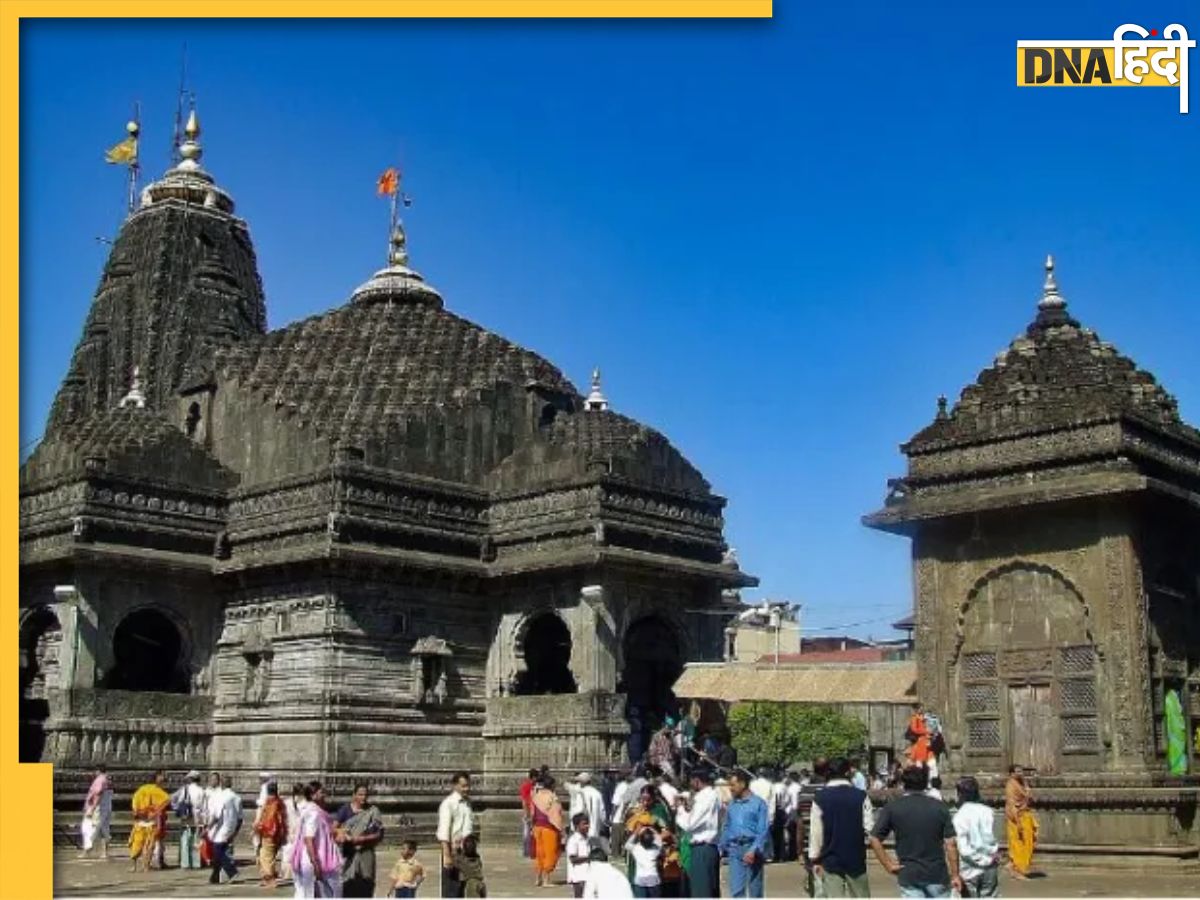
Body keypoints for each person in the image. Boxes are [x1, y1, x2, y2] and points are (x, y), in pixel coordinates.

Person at [869, 766, 962, 898]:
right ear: (926, 784)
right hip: (936, 873)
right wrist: (955, 875)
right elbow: (950, 844)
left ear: (903, 783)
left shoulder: (893, 808)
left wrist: (888, 864)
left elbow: (874, 838)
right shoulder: (939, 807)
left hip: (909, 873)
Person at [808, 756, 875, 898]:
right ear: (848, 772)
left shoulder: (820, 797)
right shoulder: (861, 796)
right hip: (855, 858)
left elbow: (816, 832)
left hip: (830, 858)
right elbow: (869, 827)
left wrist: (814, 858)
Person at [718, 770, 770, 898]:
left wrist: (753, 850)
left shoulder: (758, 803)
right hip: (734, 850)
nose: (730, 788)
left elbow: (763, 830)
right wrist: (721, 847)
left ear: (742, 784)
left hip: (752, 849)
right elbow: (727, 826)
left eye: (733, 785)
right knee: (736, 890)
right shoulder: (732, 804)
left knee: (755, 889)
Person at [674, 767, 720, 899]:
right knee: (708, 890)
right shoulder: (713, 795)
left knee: (701, 891)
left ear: (697, 781)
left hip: (702, 849)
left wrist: (681, 810)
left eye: (691, 781)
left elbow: (689, 825)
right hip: (708, 848)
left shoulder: (705, 798)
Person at [292, 781, 341, 899]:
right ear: (313, 795)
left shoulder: (310, 809)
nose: (324, 795)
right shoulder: (313, 812)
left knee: (307, 893)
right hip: (313, 859)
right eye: (321, 792)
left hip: (312, 858)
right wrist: (315, 864)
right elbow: (309, 839)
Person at [336, 782, 385, 897]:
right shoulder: (345, 809)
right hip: (348, 853)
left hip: (366, 853)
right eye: (360, 794)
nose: (363, 797)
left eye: (365, 795)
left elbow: (379, 834)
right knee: (347, 885)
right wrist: (342, 834)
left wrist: (360, 839)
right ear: (354, 795)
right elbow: (334, 828)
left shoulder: (373, 810)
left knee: (366, 885)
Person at [953, 777, 999, 898]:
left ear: (960, 794)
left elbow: (963, 848)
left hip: (969, 869)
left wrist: (979, 860)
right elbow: (991, 838)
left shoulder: (959, 816)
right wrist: (989, 859)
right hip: (990, 865)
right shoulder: (988, 811)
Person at [437, 771, 474, 898]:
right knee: (451, 888)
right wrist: (447, 855)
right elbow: (444, 831)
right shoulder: (448, 804)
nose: (466, 789)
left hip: (466, 851)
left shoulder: (467, 803)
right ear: (455, 785)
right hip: (453, 850)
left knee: (463, 887)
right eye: (463, 786)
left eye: (468, 785)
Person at [205, 772, 243, 886]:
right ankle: (215, 876)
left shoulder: (222, 797)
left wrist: (208, 828)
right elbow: (240, 817)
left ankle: (232, 872)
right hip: (231, 828)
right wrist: (235, 831)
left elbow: (216, 815)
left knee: (218, 851)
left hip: (222, 828)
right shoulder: (237, 797)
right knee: (219, 853)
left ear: (221, 784)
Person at [129, 769, 170, 872]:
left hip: (143, 820)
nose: (164, 778)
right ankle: (145, 866)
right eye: (162, 776)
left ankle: (137, 866)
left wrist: (136, 812)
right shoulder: (157, 791)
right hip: (149, 821)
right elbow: (166, 802)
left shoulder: (141, 790)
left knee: (140, 844)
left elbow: (135, 803)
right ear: (156, 778)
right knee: (147, 845)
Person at [530, 774, 565, 888]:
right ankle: (546, 880)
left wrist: (532, 826)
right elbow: (556, 814)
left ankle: (538, 878)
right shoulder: (552, 797)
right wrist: (560, 830)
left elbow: (532, 813)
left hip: (537, 827)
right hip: (549, 828)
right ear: (552, 785)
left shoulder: (536, 795)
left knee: (539, 853)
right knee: (550, 853)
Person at [1004, 766, 1037, 880]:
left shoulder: (1021, 783)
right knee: (1020, 844)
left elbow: (1028, 796)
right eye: (1017, 771)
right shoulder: (1011, 785)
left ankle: (1013, 865)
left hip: (1025, 815)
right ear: (1011, 774)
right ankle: (1017, 869)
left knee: (1029, 842)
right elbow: (1011, 804)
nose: (1020, 773)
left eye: (1021, 771)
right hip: (1017, 817)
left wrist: (1026, 787)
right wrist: (1017, 823)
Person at [255, 781, 288, 889]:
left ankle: (270, 879)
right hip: (276, 833)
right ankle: (267, 878)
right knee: (268, 856)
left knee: (266, 857)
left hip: (269, 833)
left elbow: (269, 820)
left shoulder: (271, 803)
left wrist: (259, 827)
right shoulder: (279, 802)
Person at [173, 769, 206, 870]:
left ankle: (185, 862)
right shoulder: (202, 791)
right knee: (196, 840)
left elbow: (174, 800)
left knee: (185, 839)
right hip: (198, 818)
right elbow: (205, 807)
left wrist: (177, 809)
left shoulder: (184, 789)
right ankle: (196, 863)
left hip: (186, 817)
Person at [80, 765, 113, 860]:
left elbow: (98, 793)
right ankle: (104, 852)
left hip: (98, 808)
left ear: (98, 771)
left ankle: (86, 850)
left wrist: (92, 808)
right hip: (106, 807)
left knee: (88, 828)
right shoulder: (108, 779)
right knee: (104, 829)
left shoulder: (100, 780)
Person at [625, 823, 664, 898]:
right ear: (652, 840)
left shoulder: (636, 849)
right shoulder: (656, 849)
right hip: (653, 880)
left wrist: (636, 831)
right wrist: (652, 829)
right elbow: (659, 839)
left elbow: (627, 844)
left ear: (640, 839)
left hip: (640, 880)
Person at [568, 773, 606, 846]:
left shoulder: (581, 794)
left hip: (582, 829)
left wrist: (573, 826)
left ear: (581, 783)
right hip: (595, 829)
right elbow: (602, 813)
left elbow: (577, 812)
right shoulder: (597, 793)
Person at [567, 813, 598, 898]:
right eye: (584, 824)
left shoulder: (588, 839)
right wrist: (589, 858)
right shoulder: (573, 840)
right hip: (578, 876)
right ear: (577, 826)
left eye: (588, 823)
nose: (587, 826)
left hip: (588, 874)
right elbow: (573, 859)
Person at [281, 782, 306, 883]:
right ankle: (298, 871)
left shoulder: (287, 802)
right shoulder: (305, 803)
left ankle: (287, 874)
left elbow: (284, 818)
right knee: (300, 853)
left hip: (290, 829)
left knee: (288, 852)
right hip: (301, 830)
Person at [610, 768, 636, 855]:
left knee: (617, 841)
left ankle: (617, 855)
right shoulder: (630, 787)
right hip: (626, 817)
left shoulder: (621, 787)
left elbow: (615, 803)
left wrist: (612, 816)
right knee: (624, 841)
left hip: (621, 818)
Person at [783, 772, 803, 862]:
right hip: (800, 811)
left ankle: (792, 854)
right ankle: (799, 853)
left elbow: (786, 801)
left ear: (790, 778)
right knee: (799, 833)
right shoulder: (801, 787)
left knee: (791, 833)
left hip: (792, 812)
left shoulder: (790, 788)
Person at [520, 768, 538, 858]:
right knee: (527, 833)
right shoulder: (526, 786)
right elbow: (524, 801)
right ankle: (526, 851)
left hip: (534, 811)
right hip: (528, 811)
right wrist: (527, 814)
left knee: (532, 832)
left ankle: (532, 851)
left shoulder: (535, 787)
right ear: (533, 777)